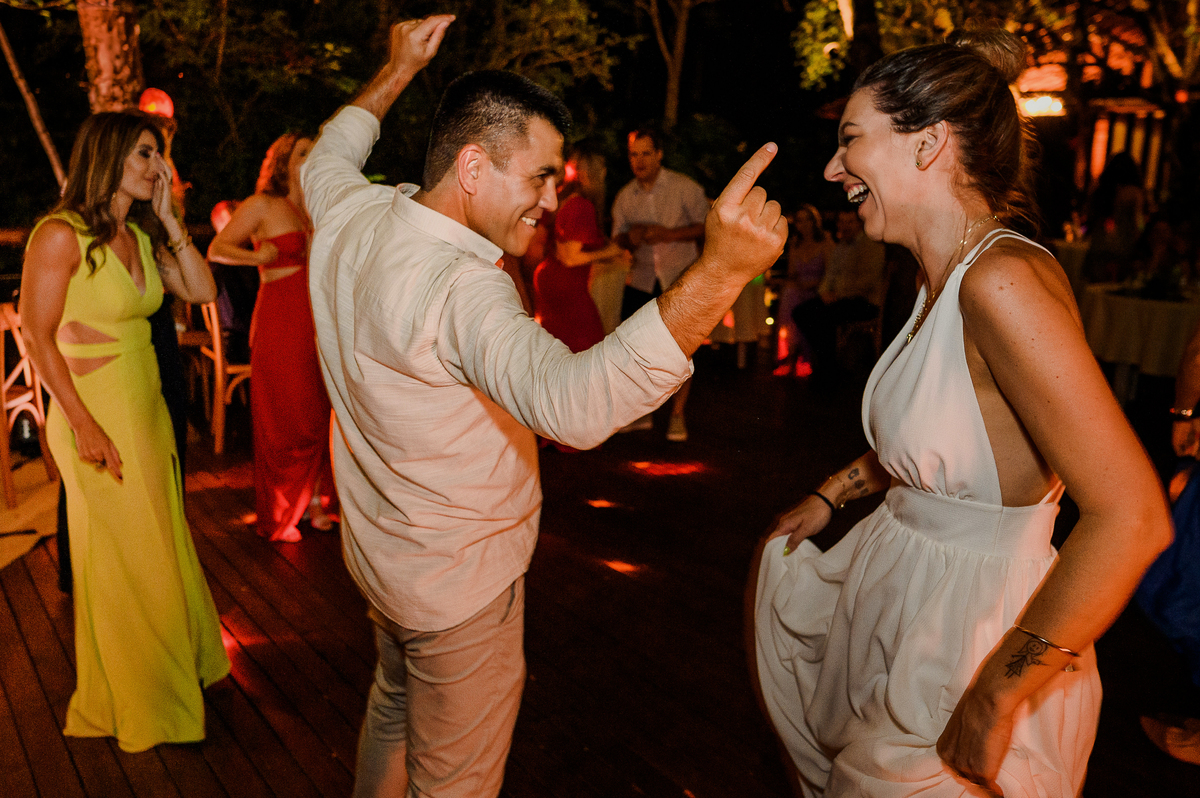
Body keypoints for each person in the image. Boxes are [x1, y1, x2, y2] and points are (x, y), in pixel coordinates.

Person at [301, 16, 785, 797]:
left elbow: (330, 151)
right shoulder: (460, 288)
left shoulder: (349, 216)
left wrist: (396, 69)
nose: (553, 199)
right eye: (539, 178)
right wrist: (722, 272)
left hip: (381, 562)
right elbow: (576, 405)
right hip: (459, 591)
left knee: (392, 709)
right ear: (471, 167)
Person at [753, 29, 1172, 797]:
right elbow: (938, 437)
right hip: (904, 601)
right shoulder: (934, 278)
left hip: (969, 636)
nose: (833, 168)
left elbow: (1132, 516)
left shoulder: (1001, 281)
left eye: (851, 141)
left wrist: (996, 693)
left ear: (929, 143)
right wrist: (832, 494)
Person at [20, 111, 230, 752]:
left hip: (146, 411)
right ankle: (146, 701)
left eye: (158, 156)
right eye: (145, 154)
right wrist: (81, 425)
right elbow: (38, 334)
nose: (157, 168)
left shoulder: (138, 238)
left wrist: (170, 225)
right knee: (126, 560)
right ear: (108, 156)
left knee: (159, 547)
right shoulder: (59, 235)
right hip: (96, 415)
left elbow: (200, 288)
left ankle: (168, 673)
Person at [208, 133, 337, 543]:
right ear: (282, 161)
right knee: (289, 413)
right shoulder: (262, 205)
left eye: (315, 152)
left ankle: (316, 500)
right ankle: (284, 510)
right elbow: (217, 248)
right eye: (302, 153)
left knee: (321, 408)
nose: (310, 158)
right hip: (280, 318)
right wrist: (257, 256)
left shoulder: (311, 208)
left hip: (316, 317)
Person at [611, 127, 709, 442]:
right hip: (640, 280)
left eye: (645, 153)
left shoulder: (685, 188)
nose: (638, 161)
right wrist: (631, 237)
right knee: (636, 350)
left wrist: (668, 234)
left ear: (659, 155)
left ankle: (677, 415)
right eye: (633, 154)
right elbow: (618, 236)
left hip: (678, 279)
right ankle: (641, 413)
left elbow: (707, 226)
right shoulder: (626, 195)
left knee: (681, 349)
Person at [533, 146, 630, 353]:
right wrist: (612, 252)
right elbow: (570, 257)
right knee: (589, 351)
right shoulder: (581, 205)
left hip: (549, 279)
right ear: (598, 171)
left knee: (556, 354)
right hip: (567, 287)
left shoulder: (561, 198)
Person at [791, 207, 886, 383]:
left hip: (864, 302)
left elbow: (868, 281)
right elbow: (829, 275)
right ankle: (828, 365)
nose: (845, 226)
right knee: (801, 312)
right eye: (842, 222)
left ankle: (828, 371)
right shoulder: (840, 246)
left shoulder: (871, 246)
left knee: (823, 317)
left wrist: (837, 294)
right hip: (839, 299)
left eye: (850, 222)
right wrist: (824, 292)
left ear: (859, 223)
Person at [773, 204, 832, 376]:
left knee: (794, 298)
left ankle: (804, 358)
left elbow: (830, 274)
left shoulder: (825, 242)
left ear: (814, 222)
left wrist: (812, 284)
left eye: (807, 220)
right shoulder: (795, 244)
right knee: (790, 294)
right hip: (798, 289)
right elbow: (792, 274)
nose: (803, 225)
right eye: (799, 221)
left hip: (818, 290)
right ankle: (790, 355)